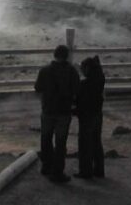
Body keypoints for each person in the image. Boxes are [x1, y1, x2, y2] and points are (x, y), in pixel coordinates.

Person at [34, 44, 80, 183]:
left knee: (45, 139)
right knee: (60, 143)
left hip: (47, 110)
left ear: (54, 55)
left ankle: (46, 166)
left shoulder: (44, 70)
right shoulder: (72, 71)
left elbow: (38, 88)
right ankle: (57, 172)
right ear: (67, 56)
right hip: (64, 111)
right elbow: (77, 90)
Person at [74, 55, 106, 179]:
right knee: (96, 142)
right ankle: (99, 170)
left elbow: (79, 101)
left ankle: (85, 171)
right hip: (98, 114)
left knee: (84, 144)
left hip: (87, 116)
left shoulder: (85, 84)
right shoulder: (100, 80)